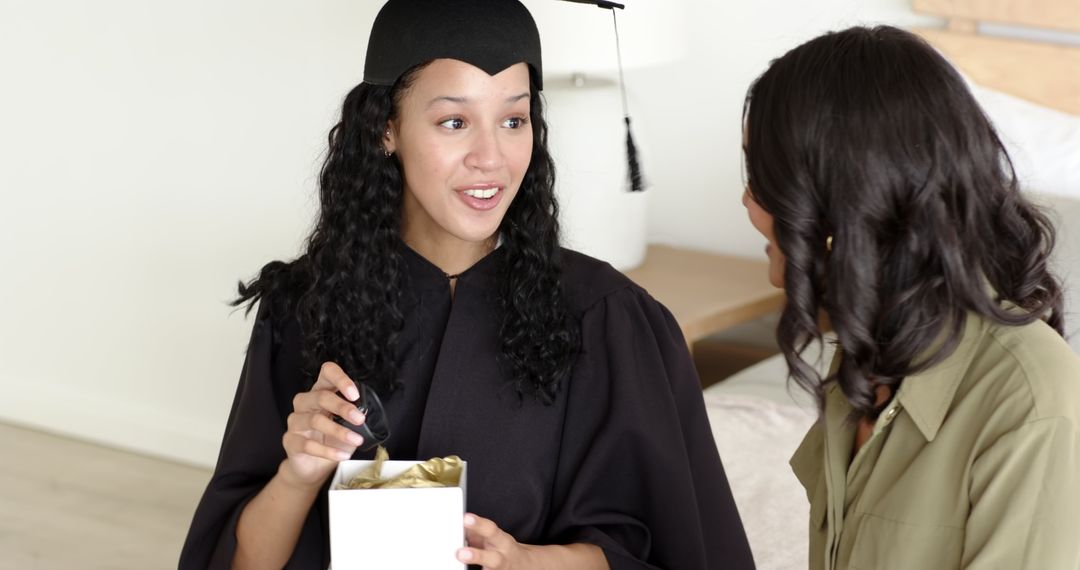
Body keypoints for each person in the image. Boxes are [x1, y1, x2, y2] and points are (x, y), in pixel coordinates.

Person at [180, 1, 755, 568]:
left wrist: (527, 563)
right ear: (385, 129)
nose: (491, 158)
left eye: (513, 120)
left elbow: (674, 552)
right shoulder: (305, 307)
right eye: (454, 122)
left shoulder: (605, 317)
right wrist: (299, 473)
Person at [740, 25, 1080, 570]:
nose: (746, 200)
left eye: (759, 177)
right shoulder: (866, 355)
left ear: (839, 202)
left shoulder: (1031, 400)